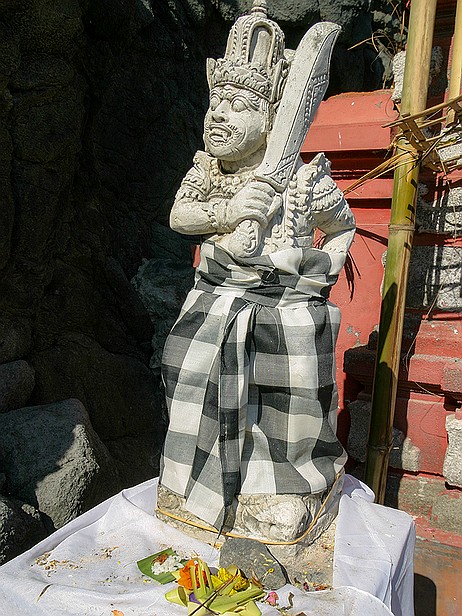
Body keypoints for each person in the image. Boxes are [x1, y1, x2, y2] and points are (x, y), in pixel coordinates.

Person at [157, 1, 356, 543]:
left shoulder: (302, 182)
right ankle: (187, 475)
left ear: (272, 118)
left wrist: (316, 275)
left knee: (284, 401)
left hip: (284, 312)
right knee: (184, 373)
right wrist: (228, 211)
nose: (218, 115)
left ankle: (278, 489)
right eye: (215, 103)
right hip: (213, 300)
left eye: (238, 105)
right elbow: (180, 216)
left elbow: (343, 227)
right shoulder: (208, 170)